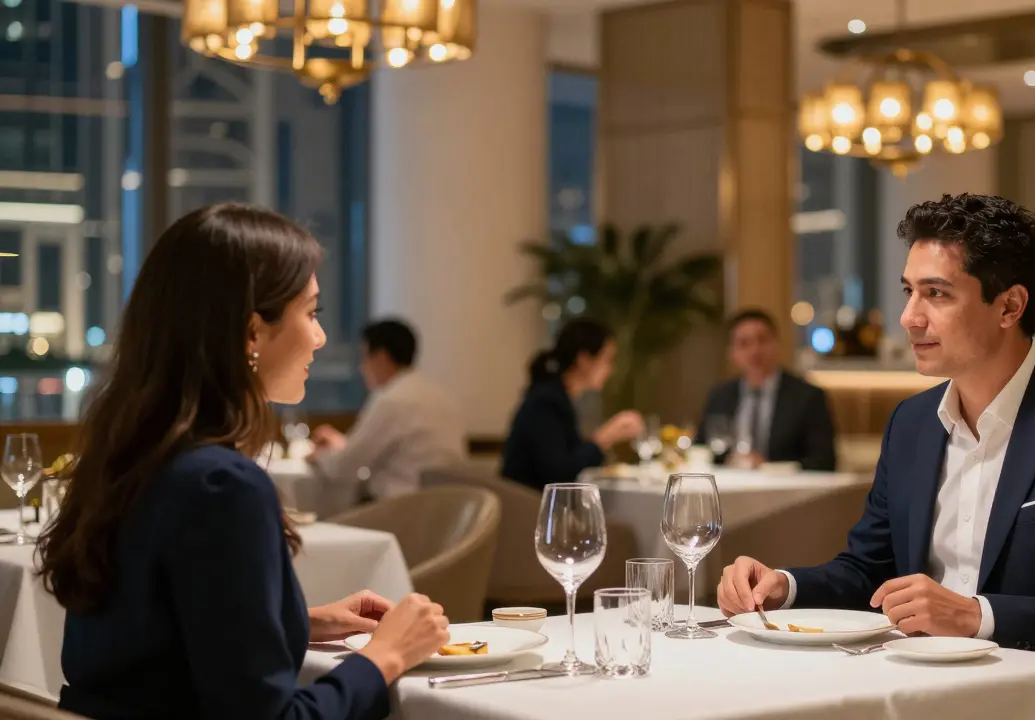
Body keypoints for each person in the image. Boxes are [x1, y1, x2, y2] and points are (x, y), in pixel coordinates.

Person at [715, 194, 1035, 720]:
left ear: (1009, 306)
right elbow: (869, 569)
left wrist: (977, 616)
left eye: (936, 294)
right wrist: (785, 586)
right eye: (909, 291)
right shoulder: (911, 423)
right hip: (922, 694)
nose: (910, 318)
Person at [36, 204, 450, 719]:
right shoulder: (221, 485)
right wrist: (385, 658)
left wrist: (300, 620)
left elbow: (152, 647)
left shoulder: (129, 458)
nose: (319, 338)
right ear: (252, 332)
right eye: (311, 312)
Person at [309, 319, 466, 513]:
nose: (361, 367)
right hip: (447, 508)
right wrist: (342, 444)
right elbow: (402, 453)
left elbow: (344, 467)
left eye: (364, 357)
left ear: (381, 357)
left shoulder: (392, 399)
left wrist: (320, 455)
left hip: (402, 510)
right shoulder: (439, 395)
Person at [502, 318, 645, 490]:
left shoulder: (558, 396)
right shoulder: (546, 402)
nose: (611, 369)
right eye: (607, 359)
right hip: (530, 505)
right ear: (584, 359)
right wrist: (605, 436)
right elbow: (560, 474)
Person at [696, 309, 837, 471]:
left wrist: (769, 467)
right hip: (728, 487)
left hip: (787, 491)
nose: (755, 351)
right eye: (744, 343)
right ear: (732, 352)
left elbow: (825, 461)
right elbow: (701, 450)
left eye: (762, 340)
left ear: (776, 343)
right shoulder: (720, 395)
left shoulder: (808, 396)